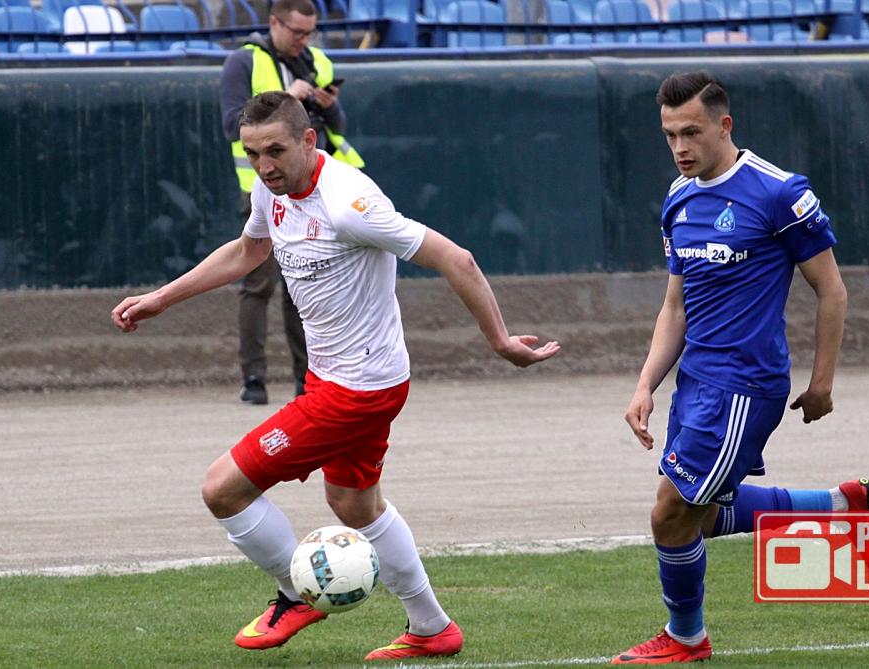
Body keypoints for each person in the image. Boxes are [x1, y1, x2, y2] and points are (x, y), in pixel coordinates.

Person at [111, 91, 560, 660]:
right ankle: (432, 627)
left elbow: (457, 258)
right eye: (252, 154)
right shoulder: (271, 188)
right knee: (354, 504)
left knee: (222, 489)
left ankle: (297, 593)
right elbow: (249, 250)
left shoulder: (349, 203)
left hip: (359, 389)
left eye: (275, 151)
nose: (264, 166)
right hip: (338, 378)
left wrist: (500, 341)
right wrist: (162, 298)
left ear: (308, 140)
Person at [610, 71, 869, 665]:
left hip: (743, 387)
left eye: (691, 132)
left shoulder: (779, 193)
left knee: (669, 514)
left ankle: (686, 638)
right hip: (696, 383)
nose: (680, 147)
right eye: (670, 135)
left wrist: (822, 383)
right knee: (700, 517)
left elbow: (832, 290)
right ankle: (839, 506)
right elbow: (676, 306)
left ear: (724, 125)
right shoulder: (678, 198)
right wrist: (645, 384)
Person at [219, 0, 365, 404]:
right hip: (264, 192)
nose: (304, 40)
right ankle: (254, 380)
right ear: (274, 23)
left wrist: (330, 106)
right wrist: (288, 98)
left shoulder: (317, 60)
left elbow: (338, 127)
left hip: (320, 191)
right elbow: (231, 125)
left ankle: (309, 380)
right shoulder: (243, 62)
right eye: (297, 32)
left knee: (307, 286)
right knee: (257, 285)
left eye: (309, 32)